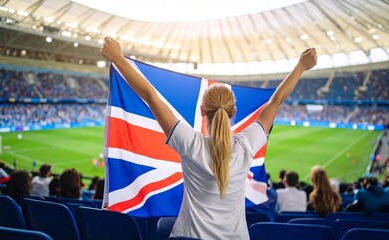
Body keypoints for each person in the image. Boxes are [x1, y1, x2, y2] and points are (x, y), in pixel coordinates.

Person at [101, 36, 317, 239]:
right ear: (233, 113)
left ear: (203, 111)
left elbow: (150, 96)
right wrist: (301, 66)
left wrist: (119, 59)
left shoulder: (191, 144)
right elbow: (276, 100)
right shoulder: (246, 146)